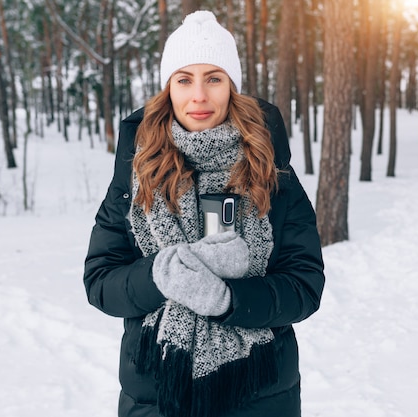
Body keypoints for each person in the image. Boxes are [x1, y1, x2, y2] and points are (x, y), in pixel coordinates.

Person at [83, 10, 324, 417]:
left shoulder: (272, 172)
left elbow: (304, 285)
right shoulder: (136, 172)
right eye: (184, 79)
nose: (199, 95)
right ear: (168, 88)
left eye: (213, 78)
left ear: (232, 86)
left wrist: (230, 300)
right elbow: (100, 281)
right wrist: (159, 277)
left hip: (259, 394)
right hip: (157, 395)